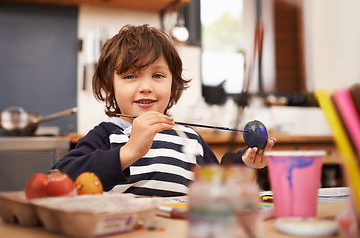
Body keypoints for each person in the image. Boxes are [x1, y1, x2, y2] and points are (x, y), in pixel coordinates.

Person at [52, 24, 275, 197]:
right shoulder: (107, 135)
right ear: (109, 88)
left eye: (158, 75)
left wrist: (244, 163)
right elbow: (58, 178)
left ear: (172, 84)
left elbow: (216, 184)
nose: (146, 86)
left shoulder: (190, 139)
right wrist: (127, 153)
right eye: (130, 76)